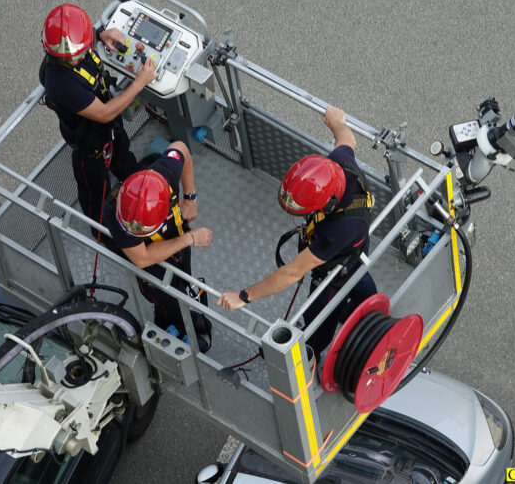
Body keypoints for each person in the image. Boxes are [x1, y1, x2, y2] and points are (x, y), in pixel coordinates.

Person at [218, 107, 377, 356]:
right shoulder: (340, 165)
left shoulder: (338, 229)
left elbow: (292, 273)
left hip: (335, 268)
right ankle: (369, 312)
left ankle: (312, 351)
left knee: (317, 320)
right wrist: (337, 123)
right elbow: (348, 139)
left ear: (329, 205)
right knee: (359, 276)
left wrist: (244, 296)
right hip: (357, 248)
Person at [40, 3, 158, 224]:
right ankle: (100, 229)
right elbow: (103, 113)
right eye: (67, 58)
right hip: (91, 148)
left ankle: (135, 189)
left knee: (126, 163)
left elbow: (82, 42)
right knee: (96, 194)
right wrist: (139, 83)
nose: (73, 60)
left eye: (79, 53)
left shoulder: (77, 44)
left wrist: (101, 35)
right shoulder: (59, 82)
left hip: (111, 131)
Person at [102, 141, 214, 350]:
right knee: (165, 299)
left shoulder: (164, 176)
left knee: (183, 281)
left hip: (178, 243)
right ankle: (172, 327)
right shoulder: (114, 211)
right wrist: (190, 239)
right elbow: (142, 258)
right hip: (152, 268)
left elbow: (181, 148)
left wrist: (190, 198)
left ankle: (183, 317)